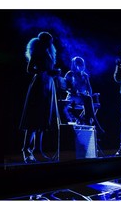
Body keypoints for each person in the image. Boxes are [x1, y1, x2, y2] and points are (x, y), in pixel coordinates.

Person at [19, 32, 60, 163]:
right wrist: (44, 72)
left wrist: (53, 73)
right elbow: (30, 69)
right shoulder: (37, 52)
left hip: (47, 85)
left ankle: (38, 150)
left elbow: (48, 70)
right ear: (44, 41)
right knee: (33, 118)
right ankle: (26, 150)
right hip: (39, 85)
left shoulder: (49, 53)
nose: (51, 43)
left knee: (42, 119)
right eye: (49, 40)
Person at [64, 56, 104, 133]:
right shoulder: (70, 74)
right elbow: (65, 88)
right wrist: (73, 91)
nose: (81, 66)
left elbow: (89, 88)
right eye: (79, 64)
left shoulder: (85, 75)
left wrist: (90, 95)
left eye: (82, 64)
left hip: (81, 97)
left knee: (88, 99)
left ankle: (87, 121)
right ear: (75, 65)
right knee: (88, 99)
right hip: (72, 97)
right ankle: (92, 123)